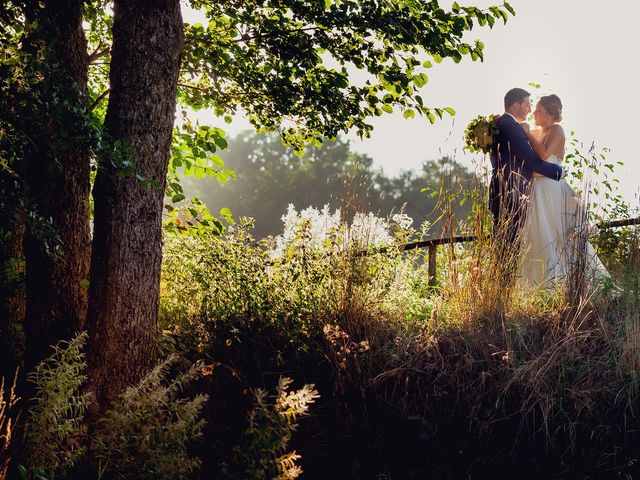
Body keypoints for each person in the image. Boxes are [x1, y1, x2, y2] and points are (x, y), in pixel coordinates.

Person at [519, 94, 609, 288]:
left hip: (551, 190)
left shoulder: (557, 130)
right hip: (536, 190)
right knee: (537, 235)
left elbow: (543, 154)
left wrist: (526, 134)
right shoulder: (537, 131)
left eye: (539, 110)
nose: (534, 112)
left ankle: (563, 282)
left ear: (550, 113)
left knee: (556, 234)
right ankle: (539, 283)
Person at [489, 88, 565, 258]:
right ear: (516, 105)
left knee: (542, 234)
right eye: (529, 105)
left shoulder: (506, 125)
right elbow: (531, 161)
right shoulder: (512, 127)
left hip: (533, 191)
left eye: (537, 109)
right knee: (524, 239)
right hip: (515, 192)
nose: (531, 110)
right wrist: (558, 171)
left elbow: (537, 154)